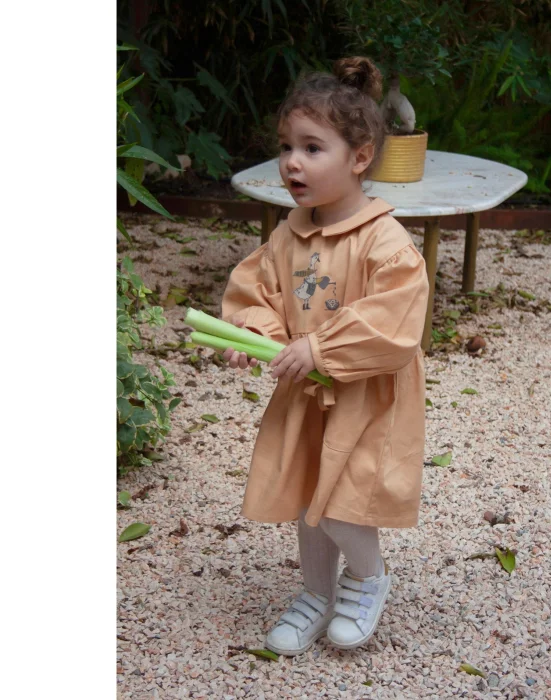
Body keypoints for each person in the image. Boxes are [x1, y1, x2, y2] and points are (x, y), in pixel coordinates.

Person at [220, 56, 429, 656]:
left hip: (365, 398)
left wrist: (321, 345)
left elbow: (395, 321)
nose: (292, 162)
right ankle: (316, 591)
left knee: (342, 503)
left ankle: (367, 577)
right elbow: (259, 292)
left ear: (359, 157)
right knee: (309, 499)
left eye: (312, 148)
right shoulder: (288, 235)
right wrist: (253, 333)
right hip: (307, 394)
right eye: (287, 146)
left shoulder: (384, 240)